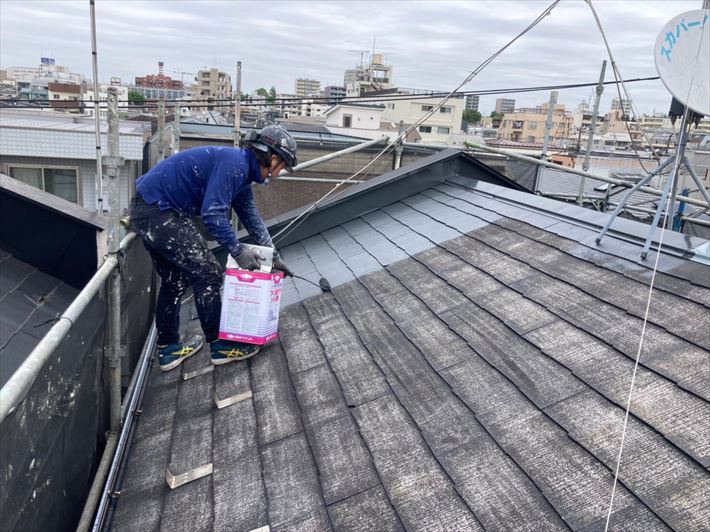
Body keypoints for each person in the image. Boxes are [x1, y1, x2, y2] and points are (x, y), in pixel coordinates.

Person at [130, 125, 296, 371]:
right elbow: (213, 213)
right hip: (159, 211)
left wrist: (274, 258)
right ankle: (221, 346)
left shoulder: (242, 172)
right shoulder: (236, 166)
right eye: (282, 166)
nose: (279, 173)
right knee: (207, 273)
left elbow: (251, 218)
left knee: (174, 280)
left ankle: (168, 349)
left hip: (153, 208)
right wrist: (237, 251)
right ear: (272, 159)